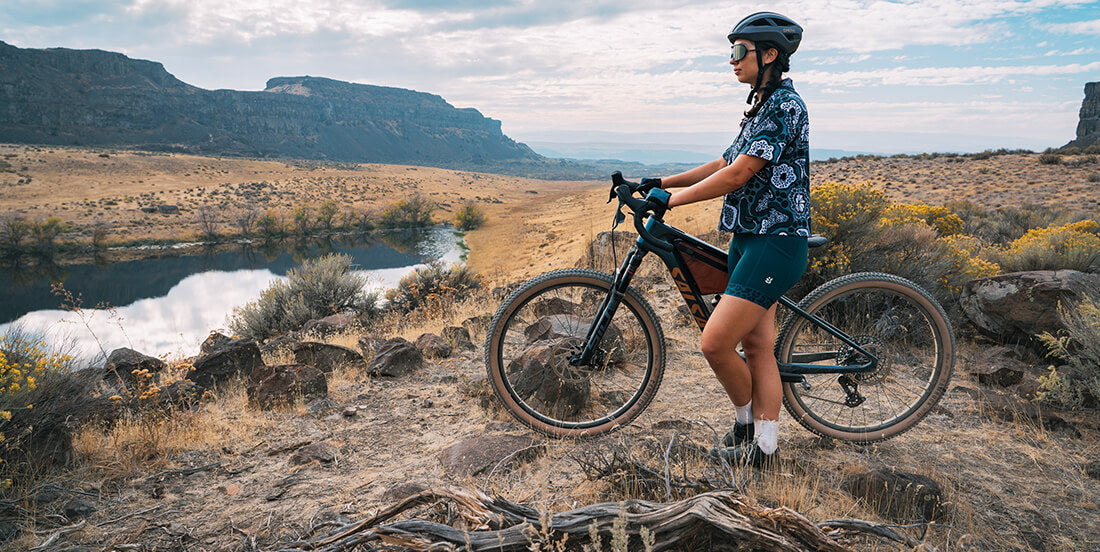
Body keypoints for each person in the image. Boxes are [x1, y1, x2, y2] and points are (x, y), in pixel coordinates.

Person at [639, 12, 810, 467]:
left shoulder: (785, 107)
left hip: (775, 241)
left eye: (739, 51)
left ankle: (749, 429)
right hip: (749, 237)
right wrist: (660, 182)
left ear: (769, 54)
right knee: (756, 348)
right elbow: (723, 161)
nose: (731, 60)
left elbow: (738, 174)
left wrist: (672, 203)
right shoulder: (761, 102)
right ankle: (760, 446)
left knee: (715, 344)